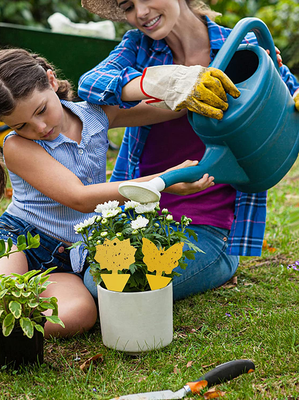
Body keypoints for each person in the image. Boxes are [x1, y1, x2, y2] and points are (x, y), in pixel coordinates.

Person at [0, 48, 219, 338]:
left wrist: (193, 92)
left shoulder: (96, 114)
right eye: (21, 125)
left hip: (71, 258)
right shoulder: (18, 146)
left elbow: (164, 110)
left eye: (41, 110)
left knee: (80, 315)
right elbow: (79, 198)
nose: (40, 127)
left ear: (51, 81)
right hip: (20, 241)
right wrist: (164, 181)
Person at [78, 0, 299, 300]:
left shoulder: (241, 45)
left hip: (207, 227)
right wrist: (165, 83)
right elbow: (90, 85)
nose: (141, 12)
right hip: (142, 216)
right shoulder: (139, 48)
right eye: (128, 5)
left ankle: (218, 263)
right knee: (98, 280)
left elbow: (289, 93)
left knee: (113, 288)